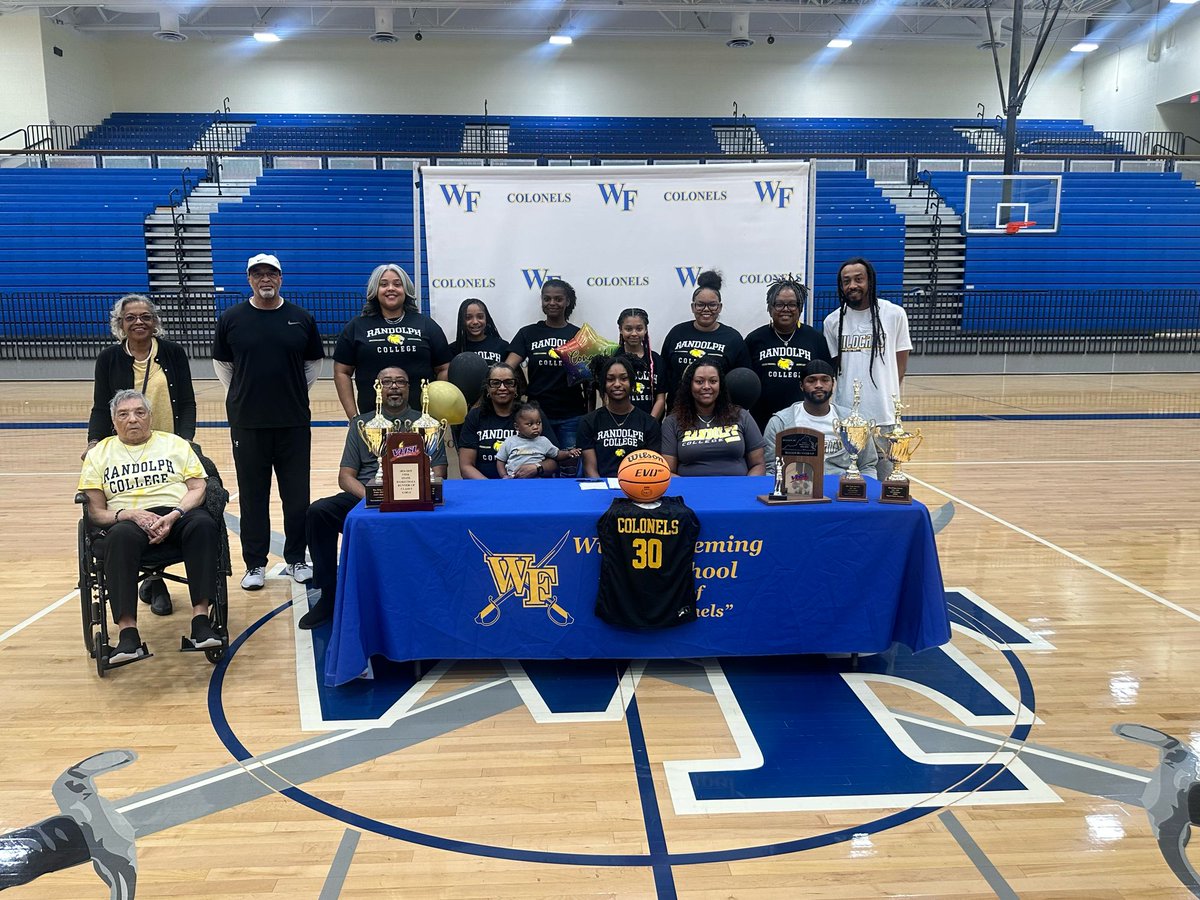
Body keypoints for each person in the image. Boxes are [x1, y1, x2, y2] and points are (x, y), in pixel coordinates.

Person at [77, 390, 222, 664]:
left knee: (203, 524)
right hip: (127, 519)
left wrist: (176, 514)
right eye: (124, 414)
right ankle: (128, 635)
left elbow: (198, 487)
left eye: (140, 412)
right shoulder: (99, 455)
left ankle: (201, 621)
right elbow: (95, 511)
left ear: (151, 417)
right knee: (119, 537)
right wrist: (127, 514)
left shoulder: (175, 444)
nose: (133, 419)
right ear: (113, 421)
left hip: (176, 513)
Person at [299, 367, 447, 630]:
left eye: (400, 382)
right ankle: (329, 595)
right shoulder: (362, 425)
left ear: (409, 388)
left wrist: (411, 494)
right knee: (318, 512)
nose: (394, 387)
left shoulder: (427, 423)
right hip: (368, 497)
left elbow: (439, 473)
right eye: (387, 382)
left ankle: (436, 593)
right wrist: (375, 497)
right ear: (377, 388)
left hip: (416, 500)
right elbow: (345, 477)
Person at [213, 253, 324, 591]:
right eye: (258, 274)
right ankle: (254, 564)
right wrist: (248, 394)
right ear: (249, 279)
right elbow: (224, 367)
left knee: (296, 496)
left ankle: (296, 559)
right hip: (248, 424)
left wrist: (285, 392)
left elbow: (312, 366)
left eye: (271, 274)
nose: (265, 279)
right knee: (252, 496)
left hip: (292, 422)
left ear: (280, 278)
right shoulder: (231, 319)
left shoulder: (300, 318)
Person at [85, 294, 197, 617]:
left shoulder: (173, 353)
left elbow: (187, 402)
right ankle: (153, 580)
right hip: (127, 446)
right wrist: (95, 441)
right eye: (131, 317)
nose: (138, 322)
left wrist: (184, 441)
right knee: (134, 497)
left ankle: (157, 578)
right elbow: (99, 405)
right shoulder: (108, 359)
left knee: (172, 495)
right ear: (120, 323)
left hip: (168, 446)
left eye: (145, 317)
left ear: (155, 321)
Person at [823, 258, 912, 480]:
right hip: (847, 418)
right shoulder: (832, 321)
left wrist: (887, 397)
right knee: (851, 481)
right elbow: (834, 369)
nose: (852, 285)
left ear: (870, 281)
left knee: (888, 482)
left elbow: (901, 362)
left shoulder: (894, 314)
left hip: (885, 416)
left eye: (858, 279)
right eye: (846, 281)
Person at [333, 264, 452, 417]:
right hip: (372, 420)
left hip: (420, 419)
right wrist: (354, 418)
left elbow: (444, 368)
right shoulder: (356, 326)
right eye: (383, 284)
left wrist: (434, 412)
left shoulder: (426, 325)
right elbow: (341, 372)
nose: (390, 288)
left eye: (397, 284)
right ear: (375, 290)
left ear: (406, 289)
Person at [505, 279, 588, 450]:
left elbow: (589, 380)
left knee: (569, 469)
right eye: (547, 299)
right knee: (539, 465)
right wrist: (521, 388)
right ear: (541, 300)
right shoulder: (527, 333)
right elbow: (507, 368)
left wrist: (590, 413)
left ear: (567, 301)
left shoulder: (578, 335)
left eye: (558, 299)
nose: (552, 303)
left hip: (571, 415)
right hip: (536, 417)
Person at [762, 359, 878, 478]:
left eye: (825, 380)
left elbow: (867, 466)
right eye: (811, 380)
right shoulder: (780, 423)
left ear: (833, 384)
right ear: (801, 386)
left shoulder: (854, 422)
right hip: (799, 487)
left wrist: (862, 490)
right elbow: (771, 468)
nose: (818, 385)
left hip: (843, 487)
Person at [744, 277, 832, 431]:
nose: (786, 309)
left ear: (800, 308)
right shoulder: (754, 339)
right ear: (770, 308)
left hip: (805, 422)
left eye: (792, 304)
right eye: (779, 304)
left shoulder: (815, 339)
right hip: (762, 422)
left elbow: (826, 380)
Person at [661, 356, 766, 477]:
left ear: (720, 385)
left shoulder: (741, 416)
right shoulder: (673, 422)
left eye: (713, 381)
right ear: (689, 386)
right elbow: (669, 472)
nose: (706, 386)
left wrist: (745, 488)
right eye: (699, 382)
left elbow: (758, 465)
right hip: (690, 493)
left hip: (737, 491)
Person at [659, 270, 751, 405]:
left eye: (712, 305)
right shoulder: (677, 333)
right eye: (700, 304)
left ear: (720, 307)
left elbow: (742, 381)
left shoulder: (733, 339)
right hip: (679, 411)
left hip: (718, 414)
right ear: (693, 307)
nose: (706, 309)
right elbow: (664, 374)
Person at [577, 355, 662, 478]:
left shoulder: (649, 423)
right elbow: (590, 470)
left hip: (638, 487)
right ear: (603, 384)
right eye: (610, 379)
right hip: (602, 488)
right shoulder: (588, 422)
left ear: (632, 382)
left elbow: (651, 468)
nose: (617, 384)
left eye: (623, 379)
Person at [495, 403, 578, 479]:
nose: (535, 427)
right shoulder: (510, 441)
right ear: (517, 427)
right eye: (530, 424)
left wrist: (568, 453)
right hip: (514, 480)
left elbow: (556, 454)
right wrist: (504, 476)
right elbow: (500, 460)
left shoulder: (543, 441)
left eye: (538, 423)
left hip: (537, 481)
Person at [615, 307, 666, 419]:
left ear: (646, 329)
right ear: (620, 329)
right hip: (620, 424)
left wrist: (650, 424)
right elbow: (607, 397)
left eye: (639, 329)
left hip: (650, 424)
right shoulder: (613, 358)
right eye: (628, 329)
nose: (634, 333)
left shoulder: (656, 359)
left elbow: (661, 399)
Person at [448, 298, 508, 367]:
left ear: (486, 319)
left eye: (480, 317)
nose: (475, 322)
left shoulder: (502, 346)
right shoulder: (453, 350)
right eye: (468, 318)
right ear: (462, 321)